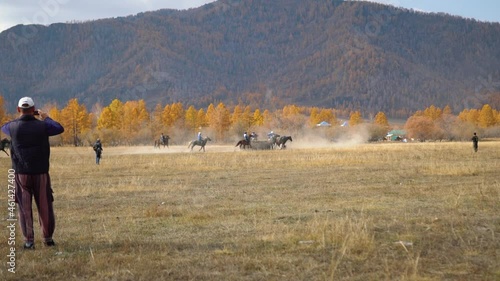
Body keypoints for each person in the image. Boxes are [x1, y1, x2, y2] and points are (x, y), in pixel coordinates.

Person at [1, 97, 64, 249]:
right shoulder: (43, 127)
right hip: (40, 172)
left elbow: (4, 126)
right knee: (45, 206)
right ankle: (48, 239)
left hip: (20, 173)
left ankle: (29, 241)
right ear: (34, 109)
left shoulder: (12, 127)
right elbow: (59, 128)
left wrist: (20, 117)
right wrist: (45, 117)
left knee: (24, 208)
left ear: (18, 110)